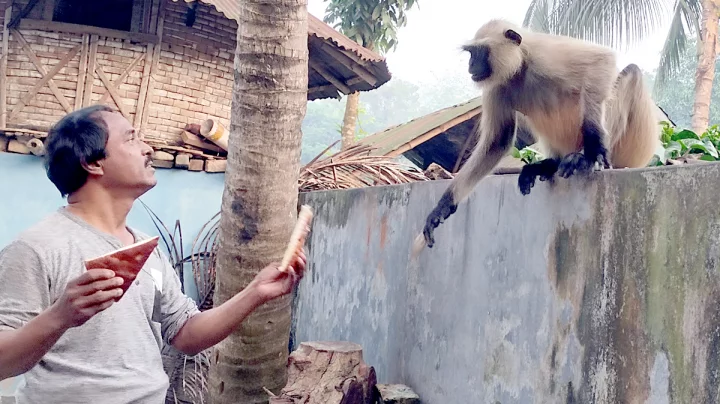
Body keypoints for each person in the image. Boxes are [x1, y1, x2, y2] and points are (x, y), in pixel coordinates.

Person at [0, 105, 307, 403]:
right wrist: (60, 316)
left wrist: (256, 292)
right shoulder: (37, 247)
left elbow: (186, 334)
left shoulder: (146, 249)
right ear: (93, 163)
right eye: (132, 138)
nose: (147, 148)